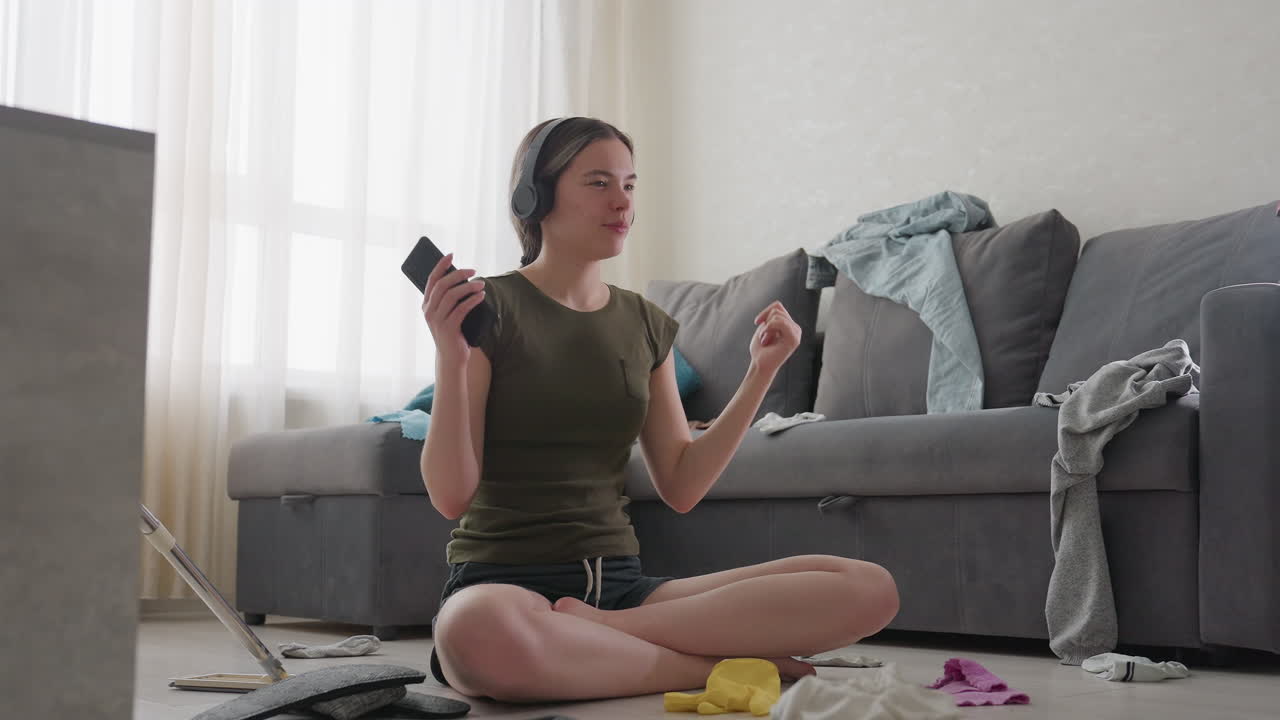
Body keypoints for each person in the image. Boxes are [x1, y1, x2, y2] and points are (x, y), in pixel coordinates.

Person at [418, 117, 899, 703]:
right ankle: (707, 664)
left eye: (629, 184)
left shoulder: (646, 323)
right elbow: (451, 496)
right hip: (504, 585)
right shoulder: (489, 309)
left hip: (622, 590)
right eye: (598, 183)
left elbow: (682, 484)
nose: (622, 202)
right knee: (474, 635)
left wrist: (761, 372)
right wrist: (450, 356)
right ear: (535, 196)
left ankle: (608, 636)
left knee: (867, 587)